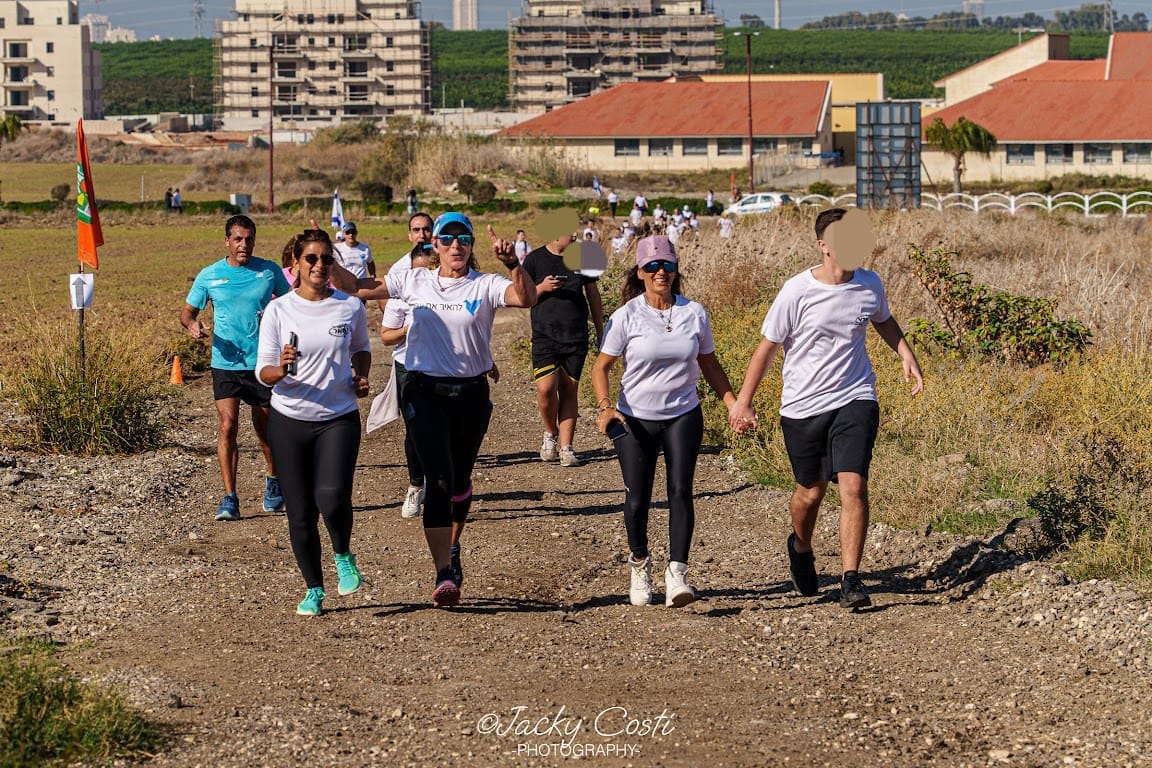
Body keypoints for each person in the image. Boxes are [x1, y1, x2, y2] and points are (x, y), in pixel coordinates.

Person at [332, 212, 536, 608]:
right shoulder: (413, 279)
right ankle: (443, 571)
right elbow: (356, 287)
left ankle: (453, 548)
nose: (455, 246)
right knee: (438, 481)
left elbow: (526, 298)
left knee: (460, 481)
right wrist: (327, 252)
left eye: (463, 239)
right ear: (434, 246)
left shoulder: (487, 283)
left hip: (471, 393)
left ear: (472, 245)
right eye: (447, 239)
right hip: (423, 390)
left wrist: (513, 264)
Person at [729, 207, 924, 610]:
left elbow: (883, 320)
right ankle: (801, 545)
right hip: (802, 405)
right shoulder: (796, 291)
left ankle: (851, 578)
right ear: (823, 246)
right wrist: (743, 402)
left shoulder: (870, 283)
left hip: (855, 396)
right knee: (810, 492)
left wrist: (906, 353)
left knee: (853, 485)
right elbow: (767, 349)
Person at [591, 236, 737, 608]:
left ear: (676, 271)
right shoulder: (625, 316)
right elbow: (601, 367)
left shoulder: (694, 313)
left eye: (668, 266)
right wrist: (606, 407)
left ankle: (678, 573)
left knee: (680, 492)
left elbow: (709, 364)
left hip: (683, 414)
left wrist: (734, 403)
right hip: (635, 419)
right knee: (637, 499)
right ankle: (640, 564)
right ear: (639, 272)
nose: (661, 272)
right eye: (652, 266)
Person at [256, 229, 372, 617]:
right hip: (289, 420)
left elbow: (361, 350)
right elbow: (263, 373)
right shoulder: (278, 310)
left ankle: (342, 554)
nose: (320, 265)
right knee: (300, 512)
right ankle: (313, 588)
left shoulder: (349, 307)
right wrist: (281, 368)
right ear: (296, 265)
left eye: (326, 259)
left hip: (338, 417)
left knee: (331, 496)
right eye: (311, 259)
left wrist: (360, 377)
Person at [181, 214, 292, 521]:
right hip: (225, 362)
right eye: (239, 239)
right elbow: (187, 313)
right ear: (227, 241)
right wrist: (193, 325)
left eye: (249, 239)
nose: (244, 245)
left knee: (266, 429)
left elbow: (292, 304)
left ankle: (273, 481)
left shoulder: (268, 271)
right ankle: (230, 497)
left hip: (262, 362)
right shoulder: (209, 275)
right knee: (227, 425)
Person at [522, 230, 604, 467]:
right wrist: (542, 288)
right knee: (546, 388)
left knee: (569, 390)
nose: (575, 235)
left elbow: (593, 295)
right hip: (544, 336)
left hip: (575, 336)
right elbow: (522, 296)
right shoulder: (535, 259)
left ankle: (567, 448)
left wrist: (600, 330)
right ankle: (550, 433)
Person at [384, 211, 435, 518]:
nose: (421, 234)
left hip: (444, 363)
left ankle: (443, 483)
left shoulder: (447, 270)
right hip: (408, 363)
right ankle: (416, 485)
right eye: (416, 229)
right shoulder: (400, 271)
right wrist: (403, 329)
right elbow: (388, 320)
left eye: (426, 229)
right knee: (414, 427)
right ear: (409, 234)